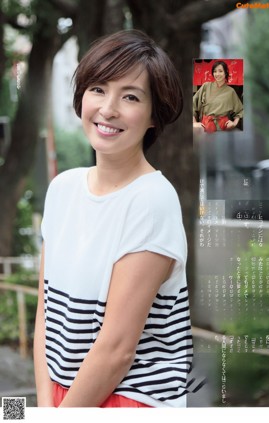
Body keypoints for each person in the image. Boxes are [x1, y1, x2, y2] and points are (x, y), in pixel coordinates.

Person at [34, 29, 196, 408]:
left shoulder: (152, 200)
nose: (109, 109)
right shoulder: (63, 189)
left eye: (130, 97)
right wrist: (45, 405)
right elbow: (46, 312)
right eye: (98, 89)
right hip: (64, 394)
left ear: (154, 115)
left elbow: (117, 350)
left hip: (129, 398)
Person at [193, 60, 243, 133]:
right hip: (205, 127)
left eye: (220, 71)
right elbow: (192, 103)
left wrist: (234, 123)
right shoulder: (206, 86)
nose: (217, 74)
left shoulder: (230, 91)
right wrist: (194, 123)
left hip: (223, 128)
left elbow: (240, 110)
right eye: (215, 71)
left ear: (225, 72)